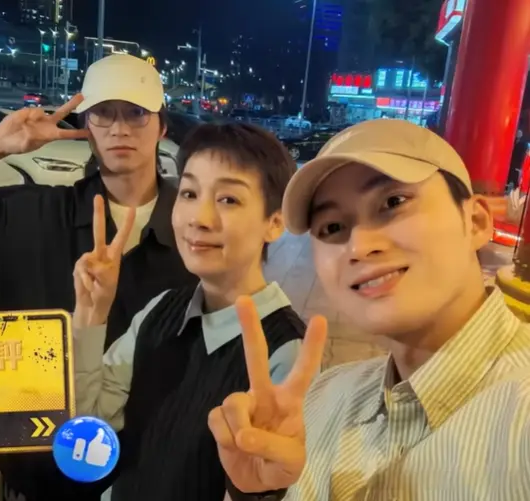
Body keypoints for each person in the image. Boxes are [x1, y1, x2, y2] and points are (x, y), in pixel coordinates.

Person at [0, 54, 197, 501]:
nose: (119, 128)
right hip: (37, 476)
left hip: (152, 480)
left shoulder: (196, 237)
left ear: (162, 126)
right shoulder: (27, 217)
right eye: (103, 113)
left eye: (136, 113)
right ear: (85, 126)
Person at [210, 119, 530, 500]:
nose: (359, 247)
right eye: (332, 227)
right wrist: (259, 492)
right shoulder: (323, 397)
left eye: (393, 203)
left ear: (475, 221)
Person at [71, 123, 306, 501]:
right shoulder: (161, 310)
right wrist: (90, 316)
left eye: (228, 199)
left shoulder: (287, 351)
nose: (199, 218)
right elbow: (91, 426)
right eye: (189, 193)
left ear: (274, 223)